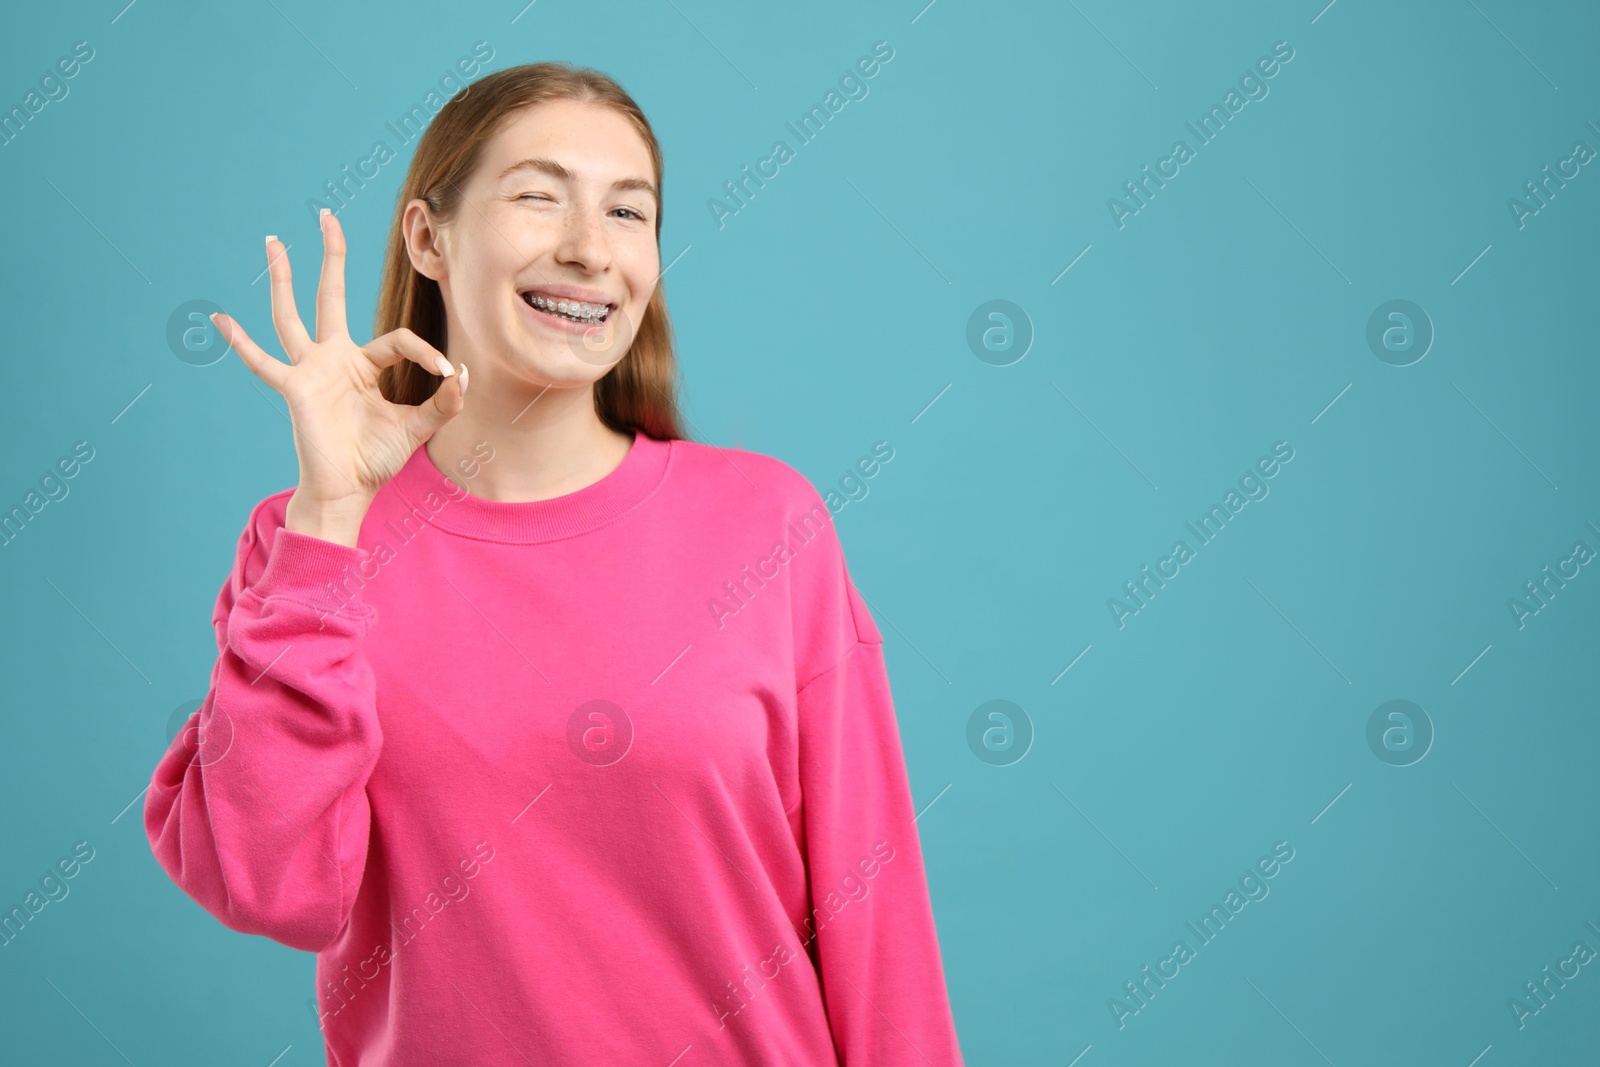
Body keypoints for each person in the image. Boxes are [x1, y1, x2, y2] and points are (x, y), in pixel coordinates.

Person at [144, 61, 963, 1065]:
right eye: (538, 196)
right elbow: (266, 882)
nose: (588, 250)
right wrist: (329, 517)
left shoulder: (765, 525)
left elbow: (873, 905)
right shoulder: (312, 543)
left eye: (629, 213)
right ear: (428, 238)